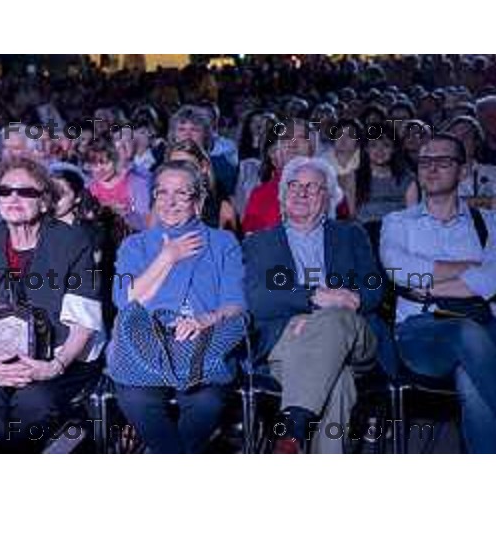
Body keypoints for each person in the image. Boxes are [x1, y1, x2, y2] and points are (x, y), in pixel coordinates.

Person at [0, 156, 104, 453]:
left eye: (26, 192)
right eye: (5, 191)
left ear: (44, 202)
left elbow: (83, 322)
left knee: (34, 403)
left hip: (56, 358)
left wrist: (53, 367)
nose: (13, 198)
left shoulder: (72, 242)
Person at [380, 133, 496, 453]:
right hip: (421, 332)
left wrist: (429, 288)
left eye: (443, 161)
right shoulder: (397, 222)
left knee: (472, 381)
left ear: (463, 170)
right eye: (425, 161)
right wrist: (473, 268)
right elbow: (400, 271)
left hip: (488, 325)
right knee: (465, 332)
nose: (431, 168)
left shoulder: (490, 222)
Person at [243, 157, 383, 453]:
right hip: (287, 341)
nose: (301, 193)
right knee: (339, 382)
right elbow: (256, 299)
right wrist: (311, 298)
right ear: (282, 195)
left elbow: (374, 288)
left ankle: (292, 426)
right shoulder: (259, 243)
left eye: (313, 187)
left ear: (329, 197)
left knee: (332, 319)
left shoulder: (351, 234)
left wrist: (343, 304)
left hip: (353, 337)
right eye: (294, 186)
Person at [107, 161, 246, 453]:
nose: (170, 202)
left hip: (202, 345)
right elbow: (124, 301)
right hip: (144, 347)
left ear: (199, 202)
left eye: (182, 194)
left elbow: (236, 305)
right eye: (162, 193)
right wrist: (167, 257)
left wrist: (204, 320)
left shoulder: (223, 243)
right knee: (137, 400)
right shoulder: (135, 245)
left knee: (206, 403)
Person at [242, 120, 316, 233]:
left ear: (312, 151)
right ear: (274, 153)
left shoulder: (330, 192)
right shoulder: (259, 196)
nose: (293, 143)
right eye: (286, 138)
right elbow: (252, 243)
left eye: (302, 138)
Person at [166, 139, 237, 232]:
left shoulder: (224, 210)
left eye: (187, 166)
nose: (180, 173)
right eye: (173, 167)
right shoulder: (161, 205)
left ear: (204, 167)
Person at [84, 136, 150, 231]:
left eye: (105, 163)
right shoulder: (89, 188)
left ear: (115, 160)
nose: (100, 170)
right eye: (94, 164)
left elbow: (147, 223)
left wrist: (125, 213)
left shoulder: (136, 184)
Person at [445, 115, 496, 214]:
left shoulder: (492, 172)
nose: (461, 141)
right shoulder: (436, 173)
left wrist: (456, 203)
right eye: (456, 136)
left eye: (466, 136)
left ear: (476, 141)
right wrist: (484, 201)